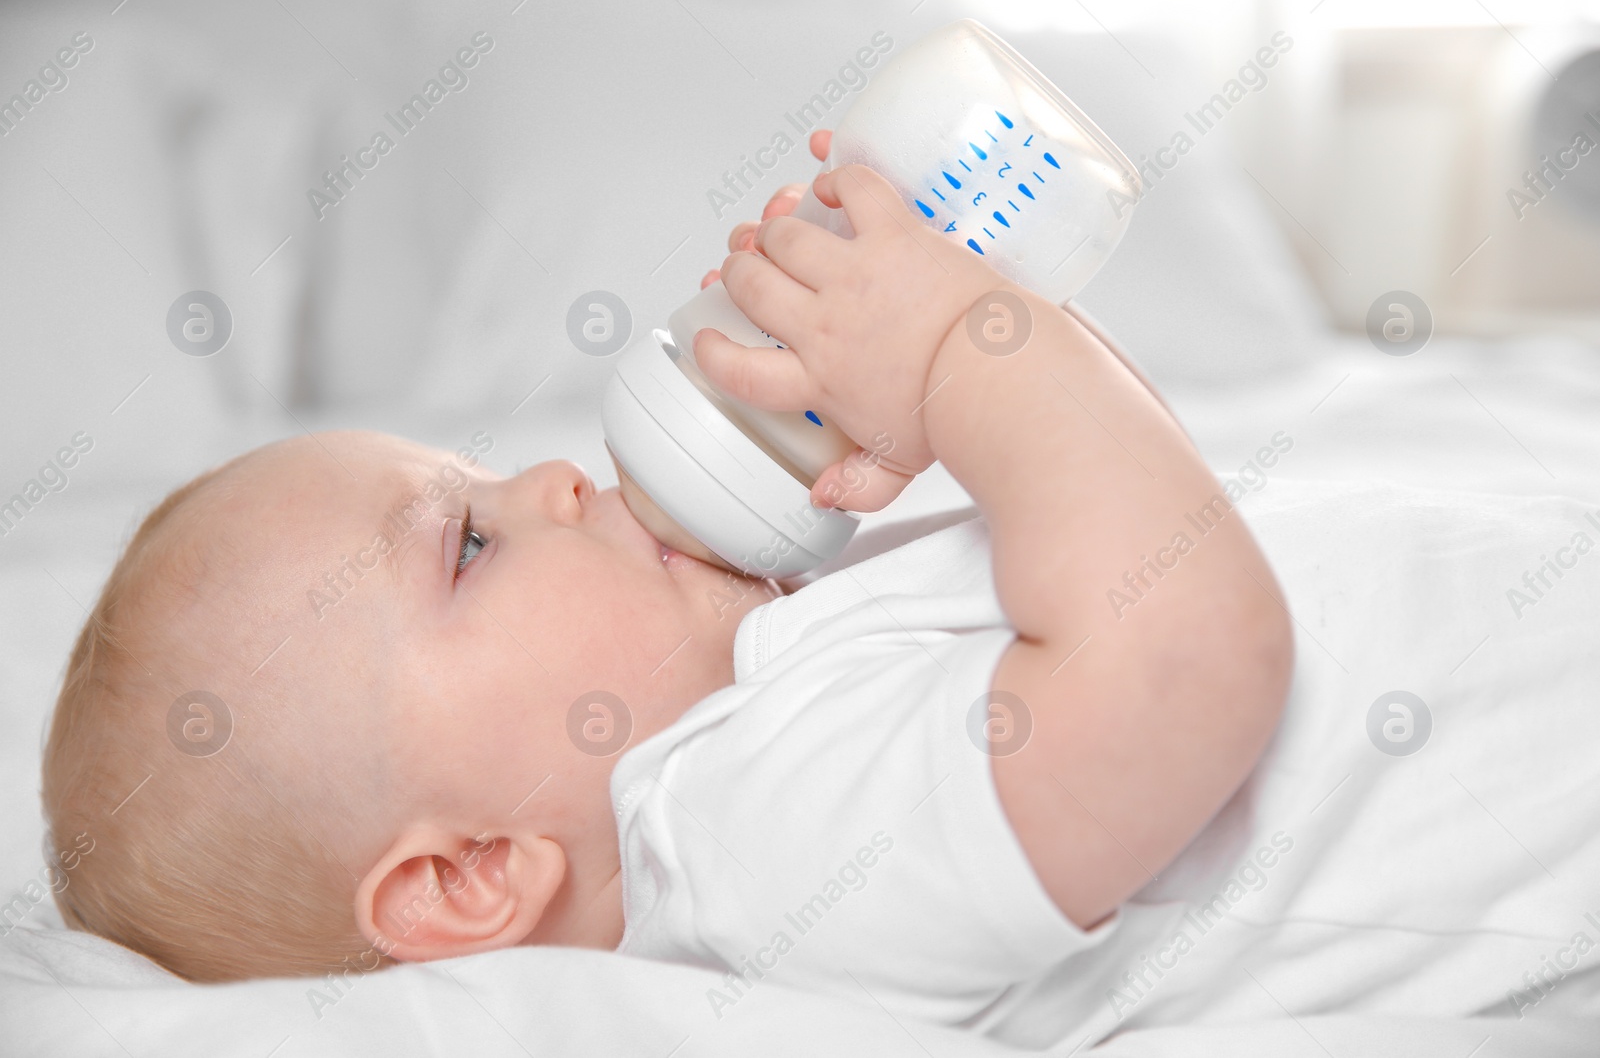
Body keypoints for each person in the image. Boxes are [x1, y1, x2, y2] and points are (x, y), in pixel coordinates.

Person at [40, 136, 1291, 1027]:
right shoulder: (753, 843)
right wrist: (975, 346)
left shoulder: (756, 710)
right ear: (468, 873)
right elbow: (1183, 652)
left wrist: (944, 384)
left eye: (482, 474)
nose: (549, 478)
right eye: (466, 541)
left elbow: (1144, 508)